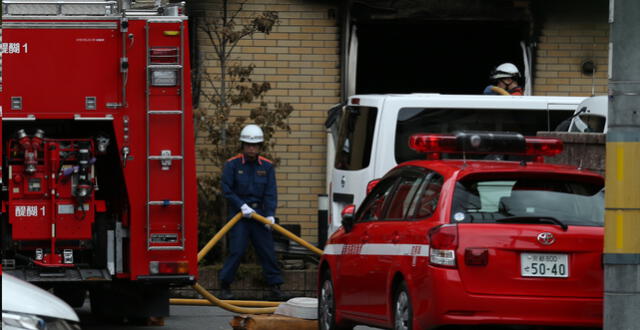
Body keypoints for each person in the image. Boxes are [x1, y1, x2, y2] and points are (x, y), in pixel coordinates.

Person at [218, 124, 284, 300]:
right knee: (237, 250)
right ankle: (225, 285)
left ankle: (276, 287)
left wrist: (270, 214)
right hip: (239, 214)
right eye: (248, 145)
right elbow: (226, 189)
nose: (251, 148)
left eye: (255, 145)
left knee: (267, 250)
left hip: (259, 214)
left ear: (260, 146)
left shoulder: (267, 167)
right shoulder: (232, 165)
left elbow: (271, 192)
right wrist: (241, 206)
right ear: (243, 145)